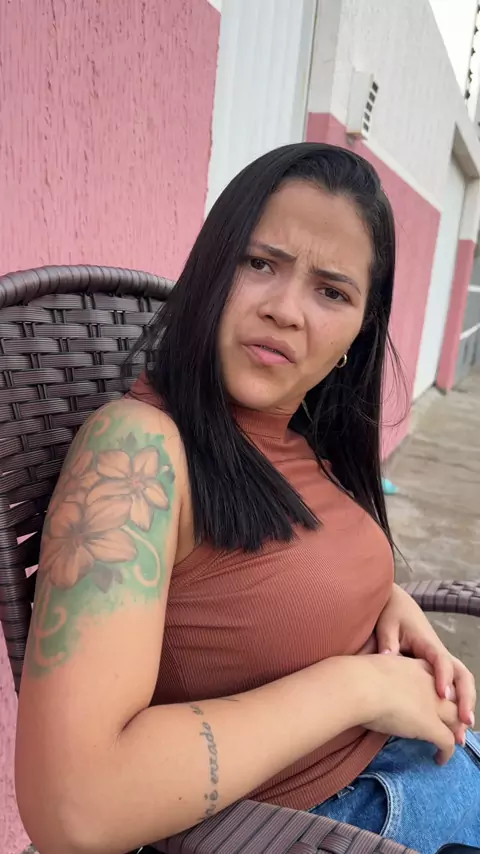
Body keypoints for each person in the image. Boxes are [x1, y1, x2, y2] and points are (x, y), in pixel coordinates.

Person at [16, 143, 479, 854]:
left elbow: (271, 576)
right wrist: (361, 687)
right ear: (211, 269)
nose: (285, 310)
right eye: (259, 263)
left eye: (332, 292)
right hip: (346, 821)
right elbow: (74, 808)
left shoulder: (298, 436)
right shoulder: (138, 452)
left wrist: (385, 601)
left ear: (357, 334)